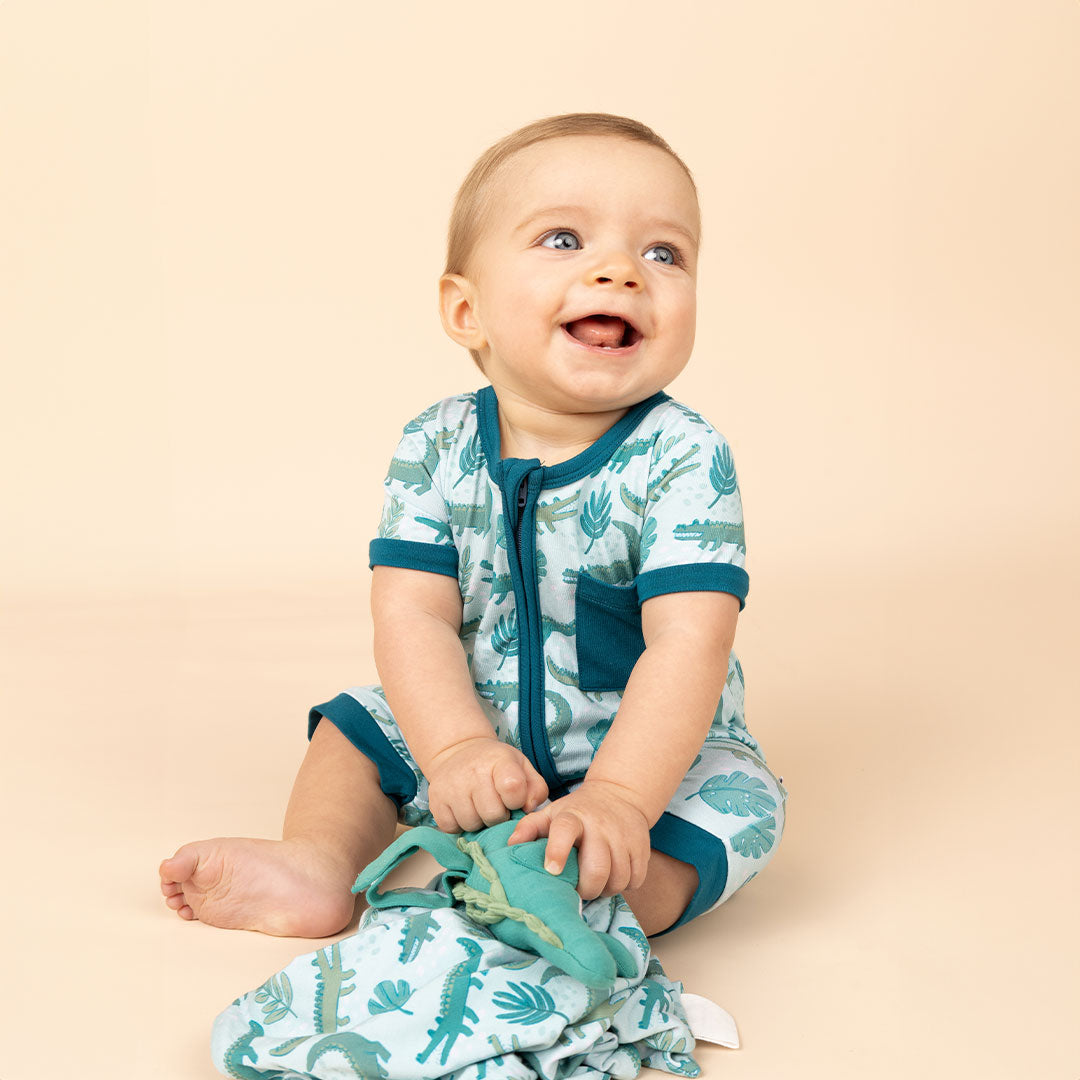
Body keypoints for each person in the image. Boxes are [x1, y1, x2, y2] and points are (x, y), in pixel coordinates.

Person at [159, 112, 787, 941]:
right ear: (466, 311)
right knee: (354, 727)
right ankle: (317, 864)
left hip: (650, 757)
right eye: (563, 239)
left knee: (742, 804)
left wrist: (620, 798)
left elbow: (688, 645)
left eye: (663, 253)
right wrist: (453, 748)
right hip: (470, 723)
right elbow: (411, 612)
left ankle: (610, 900)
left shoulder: (684, 456)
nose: (621, 271)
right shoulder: (435, 444)